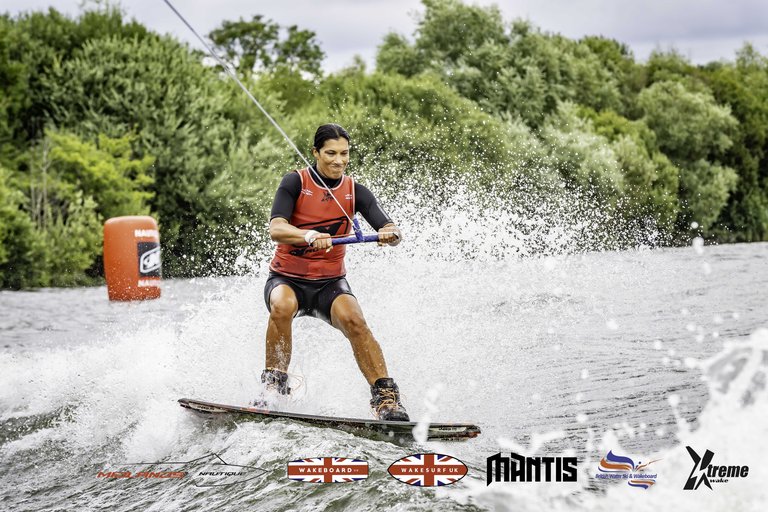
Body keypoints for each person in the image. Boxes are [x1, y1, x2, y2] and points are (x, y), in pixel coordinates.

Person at [258, 123, 409, 421]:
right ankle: (273, 388)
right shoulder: (295, 183)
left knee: (355, 320)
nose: (339, 161)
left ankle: (386, 400)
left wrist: (391, 234)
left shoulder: (355, 191)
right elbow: (276, 228)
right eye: (331, 153)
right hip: (287, 280)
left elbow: (388, 225)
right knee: (282, 306)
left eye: (344, 154)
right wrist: (308, 235)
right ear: (315, 152)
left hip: (329, 284)